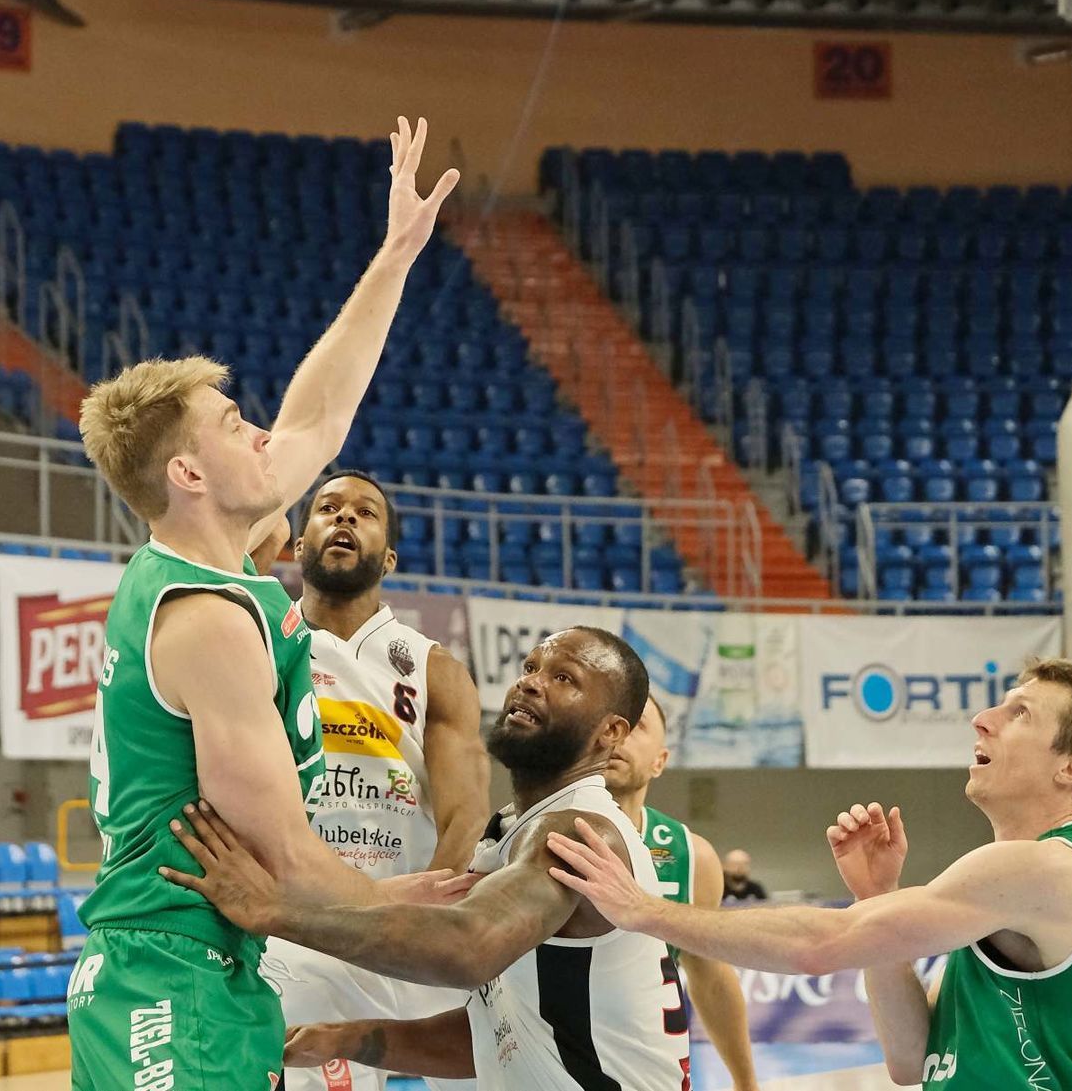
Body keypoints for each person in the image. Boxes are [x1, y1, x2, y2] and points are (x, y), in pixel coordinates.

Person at [69, 116, 461, 1091]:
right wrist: (432, 927)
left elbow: (319, 417)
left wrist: (396, 253)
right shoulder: (203, 620)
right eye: (235, 424)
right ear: (191, 469)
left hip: (217, 970)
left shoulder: (229, 547)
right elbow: (283, 857)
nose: (260, 436)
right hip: (167, 979)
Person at [546, 656, 1072, 1090]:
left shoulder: (1045, 865)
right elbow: (913, 1060)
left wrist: (644, 909)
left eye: (1019, 713)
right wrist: (875, 898)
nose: (983, 719)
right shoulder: (1019, 888)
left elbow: (820, 945)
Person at [161, 627, 693, 1091]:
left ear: (611, 733)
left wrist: (275, 911)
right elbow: (500, 1038)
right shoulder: (517, 829)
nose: (531, 681)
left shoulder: (579, 831)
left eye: (564, 678)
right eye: (531, 666)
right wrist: (345, 1038)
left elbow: (468, 947)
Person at [260, 468, 491, 1091]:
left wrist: (425, 917)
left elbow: (466, 814)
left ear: (387, 556)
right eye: (328, 508)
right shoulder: (260, 646)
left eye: (364, 513)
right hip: (305, 929)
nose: (344, 518)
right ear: (298, 542)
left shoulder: (432, 668)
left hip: (410, 932)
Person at [605, 696, 759, 1091]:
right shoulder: (519, 831)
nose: (617, 735)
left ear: (660, 760)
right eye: (605, 722)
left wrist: (746, 1083)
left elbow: (710, 978)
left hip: (649, 1069)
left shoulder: (693, 857)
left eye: (636, 725)